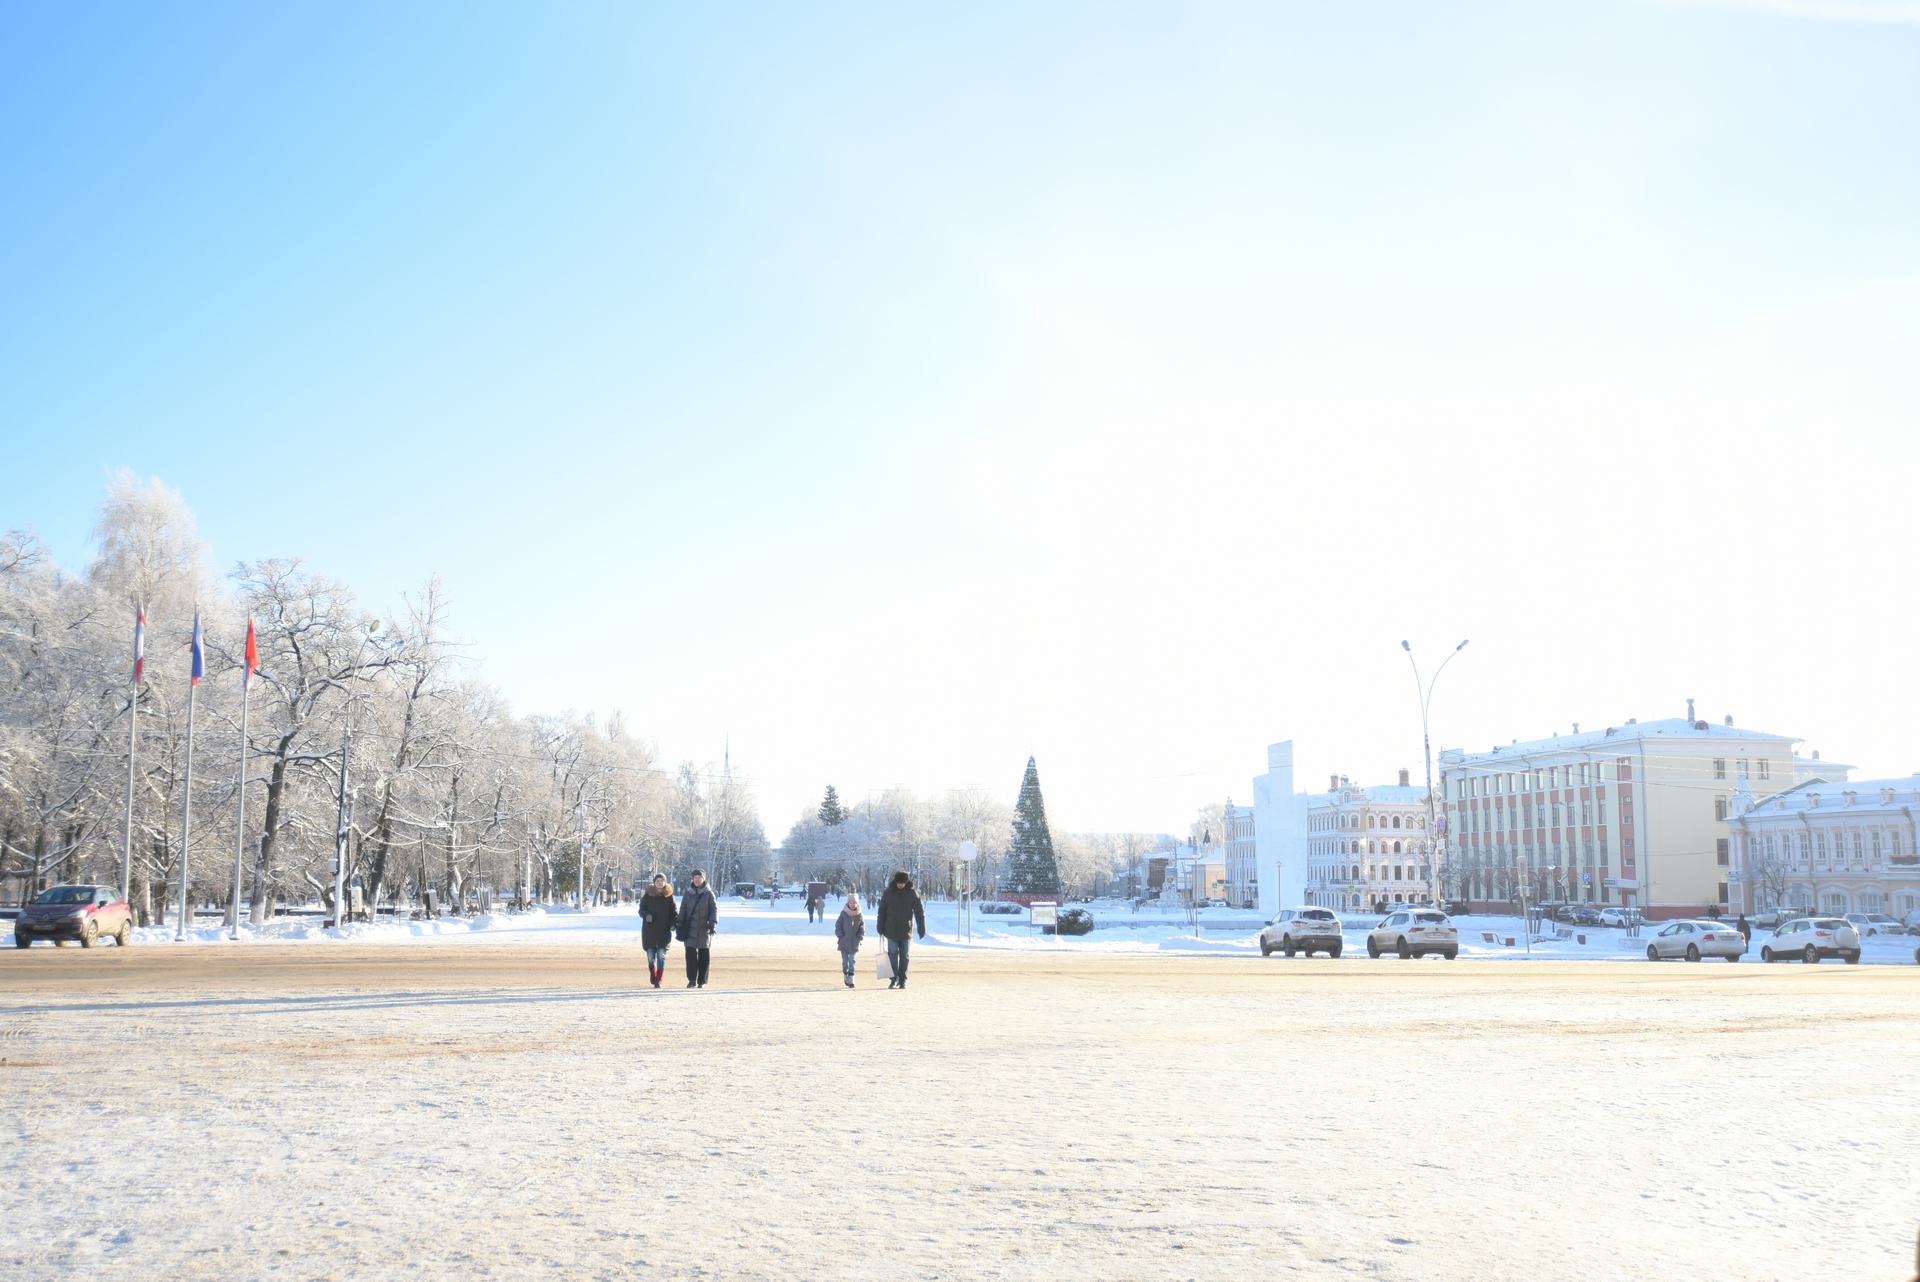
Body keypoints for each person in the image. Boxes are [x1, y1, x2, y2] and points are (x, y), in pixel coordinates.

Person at [876, 870, 926, 990]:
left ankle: (903, 980)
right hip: (891, 930)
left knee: (905, 956)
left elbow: (919, 912)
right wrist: (880, 925)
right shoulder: (888, 893)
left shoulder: (912, 894)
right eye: (899, 883)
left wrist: (921, 927)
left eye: (903, 883)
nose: (900, 885)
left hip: (905, 930)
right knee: (892, 955)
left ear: (906, 882)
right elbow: (882, 911)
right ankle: (894, 979)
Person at [677, 869, 718, 988]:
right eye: (695, 877)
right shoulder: (688, 893)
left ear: (703, 879)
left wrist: (712, 923)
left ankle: (702, 981)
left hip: (704, 928)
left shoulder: (709, 894)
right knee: (690, 955)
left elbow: (714, 910)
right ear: (693, 879)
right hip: (689, 928)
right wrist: (680, 922)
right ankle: (691, 979)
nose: (697, 879)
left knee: (704, 954)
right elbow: (683, 909)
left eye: (699, 877)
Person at [638, 873, 676, 988]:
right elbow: (641, 910)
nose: (659, 882)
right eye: (657, 880)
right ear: (654, 882)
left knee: (661, 955)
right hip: (650, 931)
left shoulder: (669, 897)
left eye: (661, 880)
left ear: (665, 882)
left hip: (664, 931)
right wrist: (647, 915)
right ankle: (652, 972)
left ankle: (659, 980)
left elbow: (674, 913)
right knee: (650, 957)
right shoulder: (648, 896)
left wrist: (673, 924)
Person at [834, 894, 865, 988]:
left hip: (854, 942)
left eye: (854, 902)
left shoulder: (859, 914)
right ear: (848, 903)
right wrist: (840, 936)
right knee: (845, 962)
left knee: (852, 960)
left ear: (857, 903)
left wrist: (859, 938)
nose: (852, 904)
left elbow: (862, 928)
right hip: (844, 941)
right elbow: (838, 925)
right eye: (850, 902)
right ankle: (845, 974)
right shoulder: (843, 913)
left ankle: (851, 980)